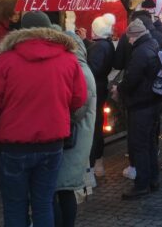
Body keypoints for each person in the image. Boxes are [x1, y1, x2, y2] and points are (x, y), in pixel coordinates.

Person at [0, 11, 87, 226]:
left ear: (21, 31)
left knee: (14, 205)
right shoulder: (68, 59)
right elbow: (79, 99)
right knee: (43, 203)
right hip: (52, 142)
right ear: (49, 29)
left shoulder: (5, 61)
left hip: (14, 144)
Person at [55, 33, 96, 227]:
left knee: (64, 189)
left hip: (74, 139)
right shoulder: (78, 66)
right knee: (63, 189)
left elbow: (78, 109)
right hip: (75, 137)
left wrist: (57, 116)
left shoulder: (80, 70)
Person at [118, 19, 162, 200]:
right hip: (152, 102)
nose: (128, 42)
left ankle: (142, 184)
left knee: (140, 145)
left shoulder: (141, 52)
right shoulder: (152, 44)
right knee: (150, 143)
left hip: (141, 104)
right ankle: (153, 179)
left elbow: (131, 79)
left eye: (129, 38)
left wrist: (119, 88)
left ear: (135, 36)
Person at [85, 13, 116, 177]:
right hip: (101, 87)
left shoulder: (99, 47)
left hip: (95, 89)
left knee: (94, 127)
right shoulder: (107, 44)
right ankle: (98, 163)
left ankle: (94, 164)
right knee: (97, 126)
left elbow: (92, 69)